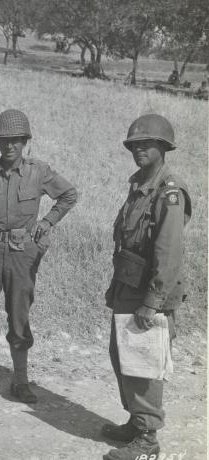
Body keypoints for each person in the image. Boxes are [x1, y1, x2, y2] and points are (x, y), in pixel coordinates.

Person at [0, 109, 78, 406]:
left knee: (20, 313)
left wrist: (47, 221)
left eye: (16, 140)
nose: (9, 146)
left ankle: (20, 380)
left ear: (25, 141)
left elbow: (69, 195)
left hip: (22, 252)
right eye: (3, 140)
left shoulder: (39, 171)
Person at [101, 114, 191, 460]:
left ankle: (148, 440)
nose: (138, 149)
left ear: (163, 147)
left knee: (144, 363)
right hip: (128, 285)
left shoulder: (169, 191)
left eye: (147, 144)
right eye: (134, 145)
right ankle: (136, 423)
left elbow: (168, 254)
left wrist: (151, 303)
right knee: (123, 357)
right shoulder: (140, 184)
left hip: (148, 294)